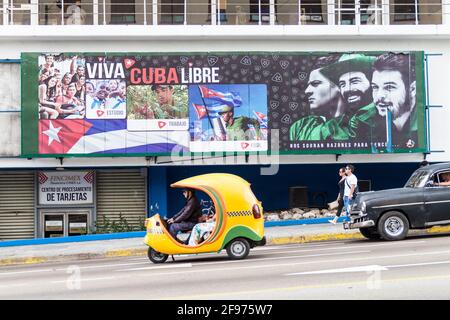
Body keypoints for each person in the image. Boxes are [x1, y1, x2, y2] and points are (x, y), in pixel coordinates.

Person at [320, 53, 378, 141]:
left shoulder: (389, 116)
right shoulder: (332, 127)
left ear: (372, 82)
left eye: (354, 81)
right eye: (342, 84)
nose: (347, 89)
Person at [289, 55, 345, 141]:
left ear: (338, 85)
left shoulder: (356, 124)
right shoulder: (299, 127)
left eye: (315, 83)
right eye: (308, 85)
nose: (307, 91)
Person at [371, 53, 417, 148]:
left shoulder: (420, 128)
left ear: (412, 89)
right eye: (375, 87)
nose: (379, 96)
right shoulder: (367, 123)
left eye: (389, 87)